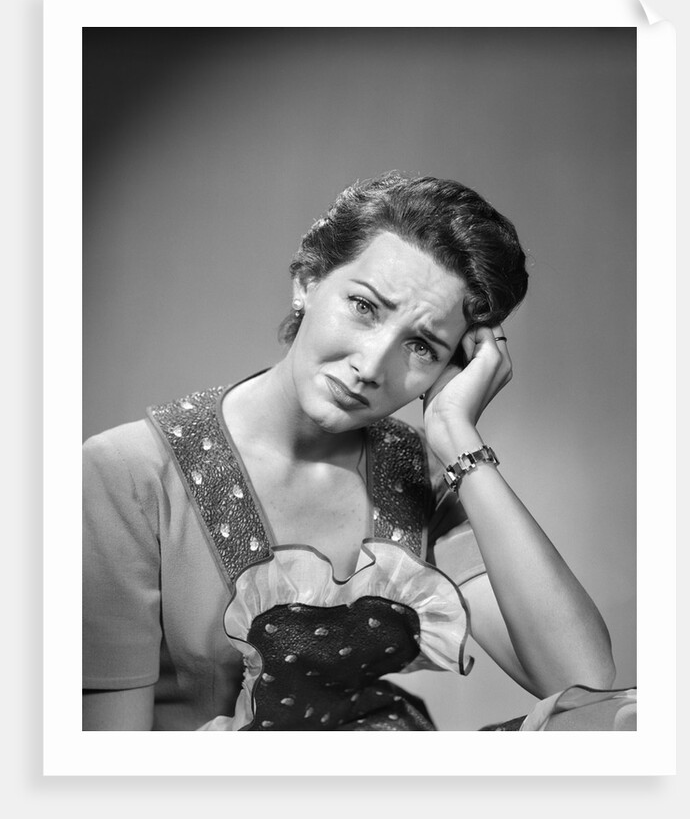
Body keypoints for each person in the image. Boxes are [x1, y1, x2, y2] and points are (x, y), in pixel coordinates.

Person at [82, 172, 635, 731]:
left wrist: (456, 434)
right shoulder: (125, 472)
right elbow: (105, 770)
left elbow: (580, 684)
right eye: (365, 307)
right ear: (308, 280)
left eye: (421, 346)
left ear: (454, 366)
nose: (371, 366)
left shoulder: (421, 473)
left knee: (632, 727)